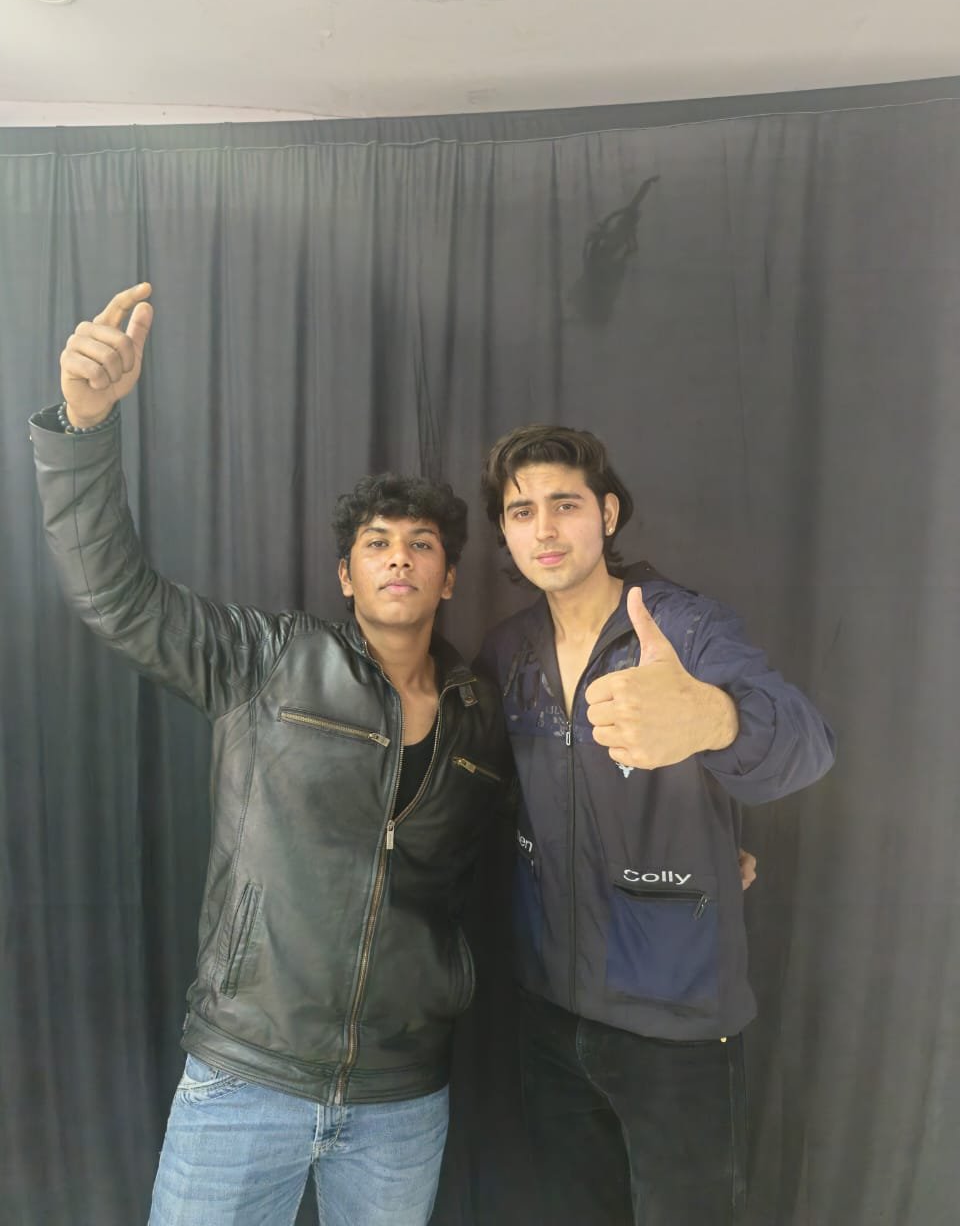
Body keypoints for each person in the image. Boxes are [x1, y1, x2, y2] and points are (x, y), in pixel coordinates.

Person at [29, 282, 513, 1226]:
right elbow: (115, 597)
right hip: (246, 1075)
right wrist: (84, 429)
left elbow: (553, 833)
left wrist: (702, 844)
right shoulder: (269, 660)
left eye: (422, 545)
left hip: (402, 1095)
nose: (400, 557)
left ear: (450, 576)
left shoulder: (480, 715)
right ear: (347, 575)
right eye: (378, 543)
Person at [476, 424, 836, 1226]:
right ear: (504, 529)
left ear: (606, 514)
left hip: (676, 1028)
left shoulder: (684, 629)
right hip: (548, 1015)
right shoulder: (507, 652)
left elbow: (808, 744)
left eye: (566, 505)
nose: (544, 528)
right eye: (522, 511)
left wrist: (713, 719)